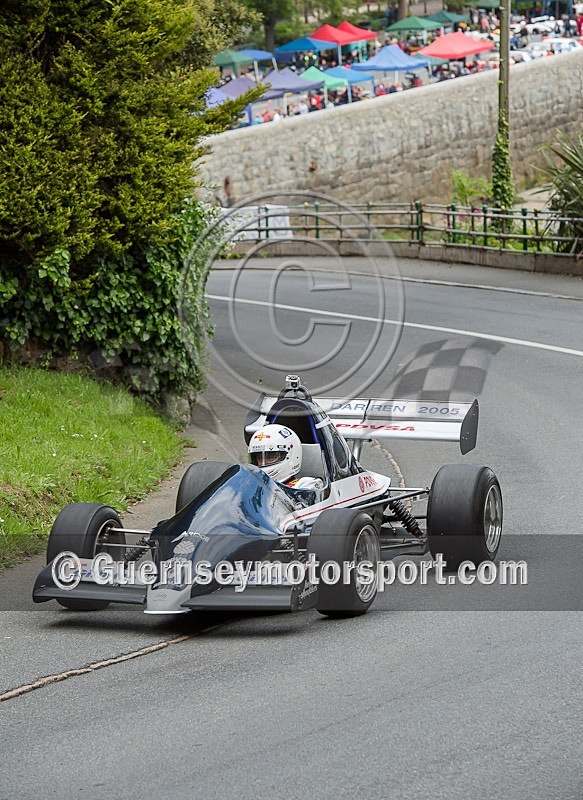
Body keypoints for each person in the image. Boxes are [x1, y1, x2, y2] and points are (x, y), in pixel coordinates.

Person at [248, 425, 323, 490]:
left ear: (291, 455)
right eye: (259, 458)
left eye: (270, 456)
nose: (263, 463)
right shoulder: (250, 486)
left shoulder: (305, 484)